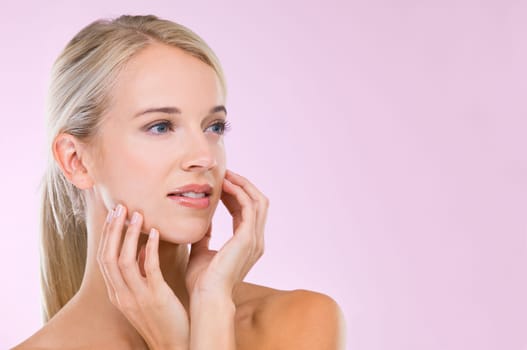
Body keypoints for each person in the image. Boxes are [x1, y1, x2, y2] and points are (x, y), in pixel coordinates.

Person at [12, 14, 346, 349]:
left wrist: (212, 304)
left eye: (213, 126)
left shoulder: (298, 322)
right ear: (76, 161)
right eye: (160, 126)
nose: (205, 157)